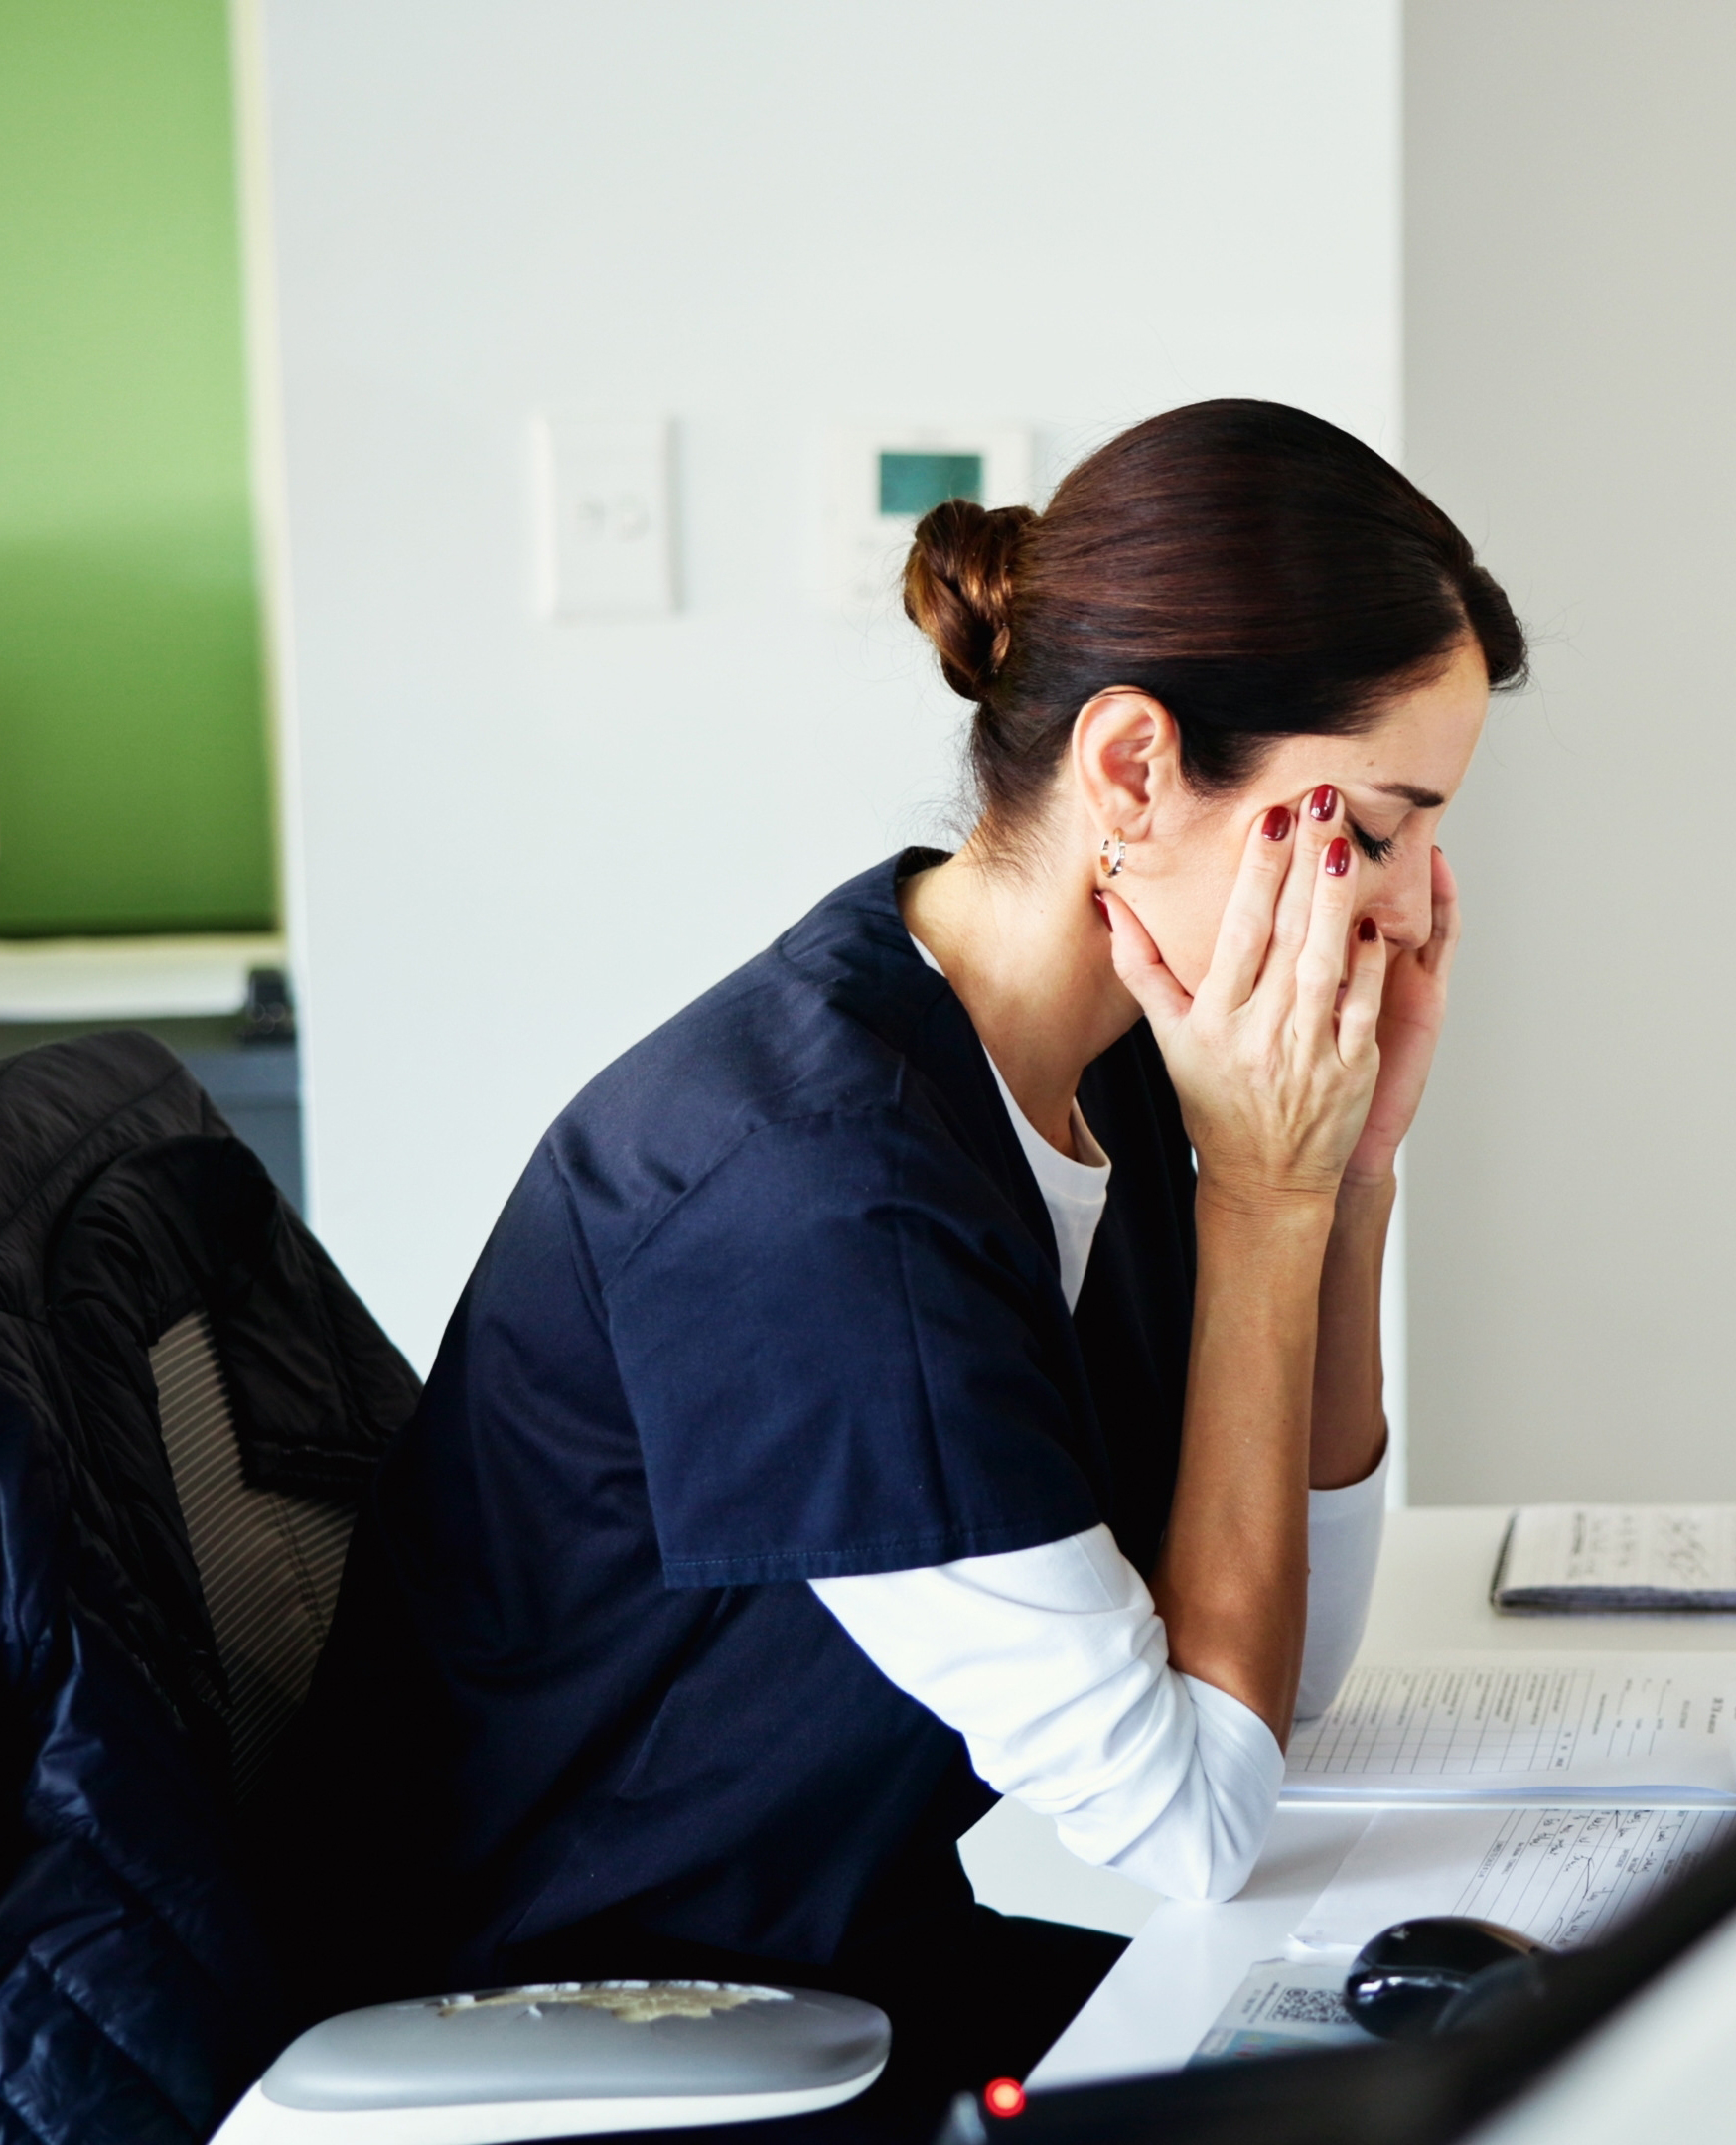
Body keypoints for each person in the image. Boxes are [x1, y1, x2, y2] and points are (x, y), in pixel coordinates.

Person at [274, 399, 1525, 2114]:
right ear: (1136, 769)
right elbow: (1195, 1820)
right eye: (1373, 828)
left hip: (837, 1960)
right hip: (607, 2042)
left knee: (1522, 2064)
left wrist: (1355, 1169)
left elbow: (1272, 1691)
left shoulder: (1133, 1072)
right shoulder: (814, 1188)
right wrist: (1269, 1204)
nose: (1402, 905)